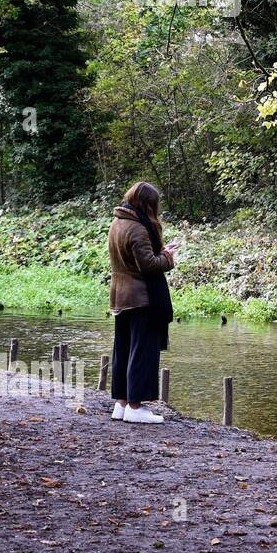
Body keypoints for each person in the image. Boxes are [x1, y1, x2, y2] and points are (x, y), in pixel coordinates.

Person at [107, 181, 176, 424]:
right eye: (153, 205)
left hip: (121, 296)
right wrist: (167, 256)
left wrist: (160, 252)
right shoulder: (137, 228)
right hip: (142, 298)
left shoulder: (117, 223)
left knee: (124, 349)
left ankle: (122, 403)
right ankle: (135, 407)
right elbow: (148, 266)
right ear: (147, 204)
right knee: (142, 351)